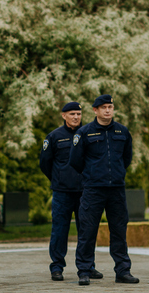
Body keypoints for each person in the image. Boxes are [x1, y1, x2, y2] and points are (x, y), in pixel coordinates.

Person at [68, 94, 139, 285]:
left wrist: (117, 173)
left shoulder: (122, 131)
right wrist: (92, 174)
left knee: (119, 231)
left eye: (110, 107)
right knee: (88, 231)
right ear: (95, 110)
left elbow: (126, 158)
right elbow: (75, 160)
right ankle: (84, 270)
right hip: (93, 189)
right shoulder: (84, 132)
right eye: (104, 107)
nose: (108, 110)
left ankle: (123, 271)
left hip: (116, 189)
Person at [39, 102, 103, 282]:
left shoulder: (89, 134)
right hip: (62, 192)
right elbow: (45, 163)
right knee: (59, 230)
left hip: (85, 192)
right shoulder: (54, 136)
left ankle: (88, 266)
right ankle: (57, 267)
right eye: (72, 114)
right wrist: (58, 178)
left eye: (78, 114)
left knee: (87, 230)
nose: (76, 117)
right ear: (64, 115)